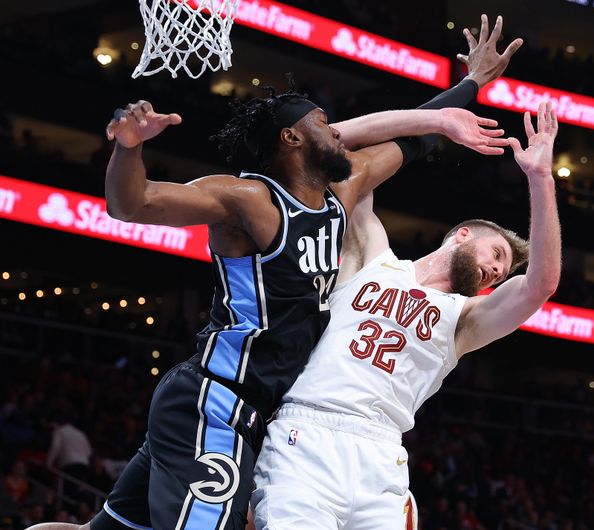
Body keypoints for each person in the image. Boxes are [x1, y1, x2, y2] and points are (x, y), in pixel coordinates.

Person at [27, 14, 516, 530]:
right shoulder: (248, 200)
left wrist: (469, 88)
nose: (334, 127)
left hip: (259, 411)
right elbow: (134, 204)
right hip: (218, 400)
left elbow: (410, 140)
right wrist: (128, 148)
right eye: (320, 122)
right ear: (292, 138)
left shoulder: (339, 196)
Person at [251, 101, 561, 529]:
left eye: (501, 272)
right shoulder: (371, 256)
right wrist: (436, 119)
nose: (495, 270)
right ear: (462, 235)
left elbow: (540, 285)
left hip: (381, 454)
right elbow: (333, 147)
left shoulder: (464, 318)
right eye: (497, 254)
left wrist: (541, 178)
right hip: (307, 433)